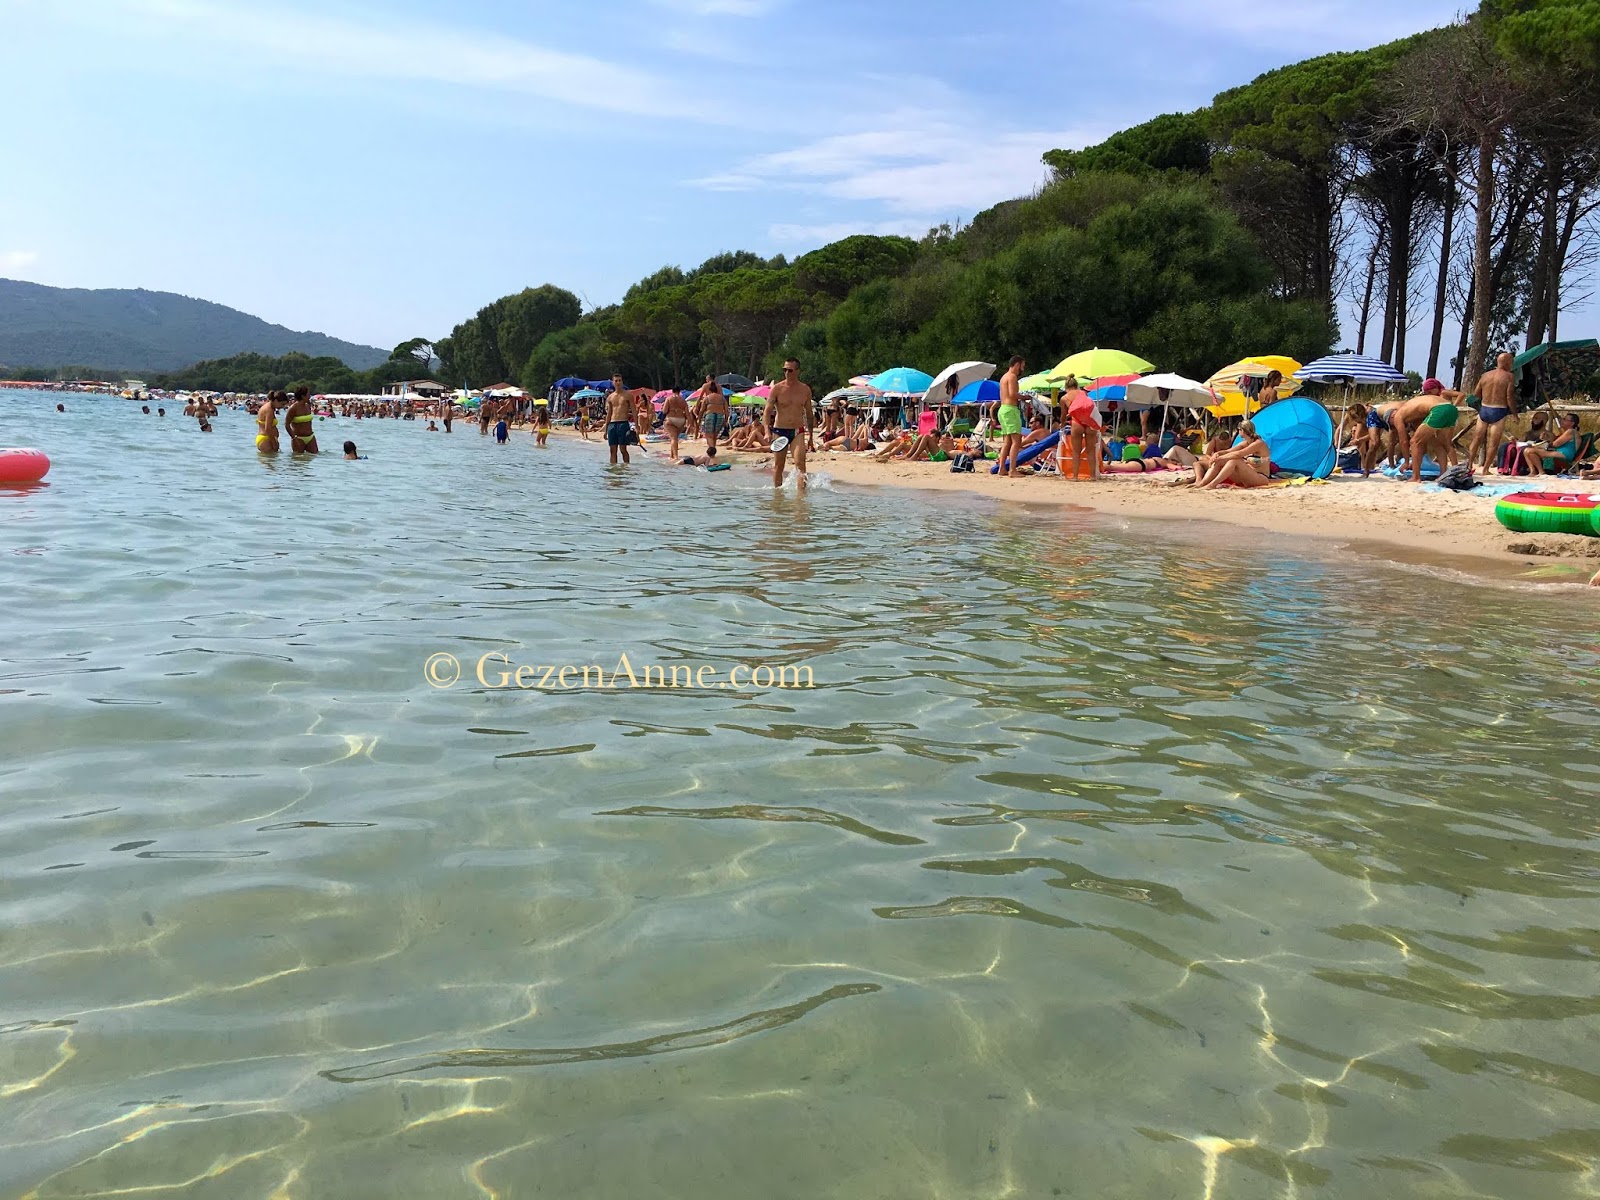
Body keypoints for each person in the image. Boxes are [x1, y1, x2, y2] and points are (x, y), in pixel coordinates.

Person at [764, 356, 812, 487]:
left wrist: (811, 437)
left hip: (798, 431)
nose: (786, 373)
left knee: (800, 463)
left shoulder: (805, 389)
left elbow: (809, 414)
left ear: (797, 371)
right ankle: (777, 499)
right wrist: (767, 431)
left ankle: (801, 501)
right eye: (784, 370)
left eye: (790, 370)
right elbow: (767, 411)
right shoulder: (777, 388)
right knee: (779, 466)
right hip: (780, 430)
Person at [1467, 351, 1518, 470]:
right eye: (1511, 362)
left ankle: (1469, 465)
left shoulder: (1486, 375)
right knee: (1493, 442)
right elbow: (1509, 397)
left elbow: (1476, 393)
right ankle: (1485, 469)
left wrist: (1486, 397)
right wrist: (1515, 414)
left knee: (1476, 439)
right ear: (1507, 363)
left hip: (1484, 408)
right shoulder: (1509, 376)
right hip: (1499, 410)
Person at [1408, 378, 1466, 483]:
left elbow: (1461, 394)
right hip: (1446, 417)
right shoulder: (1436, 396)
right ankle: (1447, 471)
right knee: (1441, 444)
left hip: (1444, 414)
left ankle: (1455, 467)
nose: (1430, 394)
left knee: (1447, 444)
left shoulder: (1443, 392)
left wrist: (1455, 405)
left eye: (1430, 392)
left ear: (1435, 388)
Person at [1195, 421, 1272, 488]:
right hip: (1247, 475)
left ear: (1242, 431)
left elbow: (1239, 454)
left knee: (1234, 461)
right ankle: (1202, 483)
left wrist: (1220, 458)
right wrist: (1217, 454)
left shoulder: (1258, 443)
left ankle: (1212, 484)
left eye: (1239, 430)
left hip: (1260, 477)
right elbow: (1228, 451)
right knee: (1220, 461)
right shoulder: (1246, 443)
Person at [1063, 377, 1102, 480]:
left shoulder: (1065, 398)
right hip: (1089, 422)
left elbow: (1063, 416)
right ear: (1076, 385)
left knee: (1076, 451)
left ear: (1066, 387)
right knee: (1091, 450)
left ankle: (1075, 476)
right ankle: (1092, 476)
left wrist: (1062, 424)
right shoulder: (1083, 393)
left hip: (1077, 422)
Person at [994, 356, 1026, 477]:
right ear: (1017, 364)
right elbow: (1013, 394)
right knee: (1016, 441)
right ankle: (1012, 470)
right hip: (1010, 410)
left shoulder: (1004, 377)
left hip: (1003, 409)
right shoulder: (1012, 377)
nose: (1022, 368)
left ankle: (1002, 468)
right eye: (1022, 365)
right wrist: (1025, 397)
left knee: (1007, 441)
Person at [605, 375, 635, 465]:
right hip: (612, 424)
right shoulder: (610, 397)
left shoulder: (628, 395)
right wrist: (605, 429)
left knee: (623, 449)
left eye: (620, 380)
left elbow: (634, 411)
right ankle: (614, 471)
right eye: (616, 381)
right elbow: (609, 414)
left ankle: (626, 467)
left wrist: (637, 426)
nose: (618, 382)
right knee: (612, 450)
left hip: (623, 423)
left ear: (622, 382)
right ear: (613, 383)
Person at [698, 377, 730, 451]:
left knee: (709, 436)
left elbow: (702, 410)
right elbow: (726, 411)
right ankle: (713, 450)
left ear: (710, 390)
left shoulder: (707, 398)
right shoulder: (722, 399)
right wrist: (725, 421)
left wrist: (699, 419)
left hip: (710, 415)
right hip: (720, 416)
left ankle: (711, 451)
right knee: (715, 435)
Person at [285, 386, 319, 454]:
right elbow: (287, 424)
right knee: (299, 461)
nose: (310, 397)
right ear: (303, 396)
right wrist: (294, 438)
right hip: (299, 438)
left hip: (310, 437)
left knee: (315, 457)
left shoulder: (307, 406)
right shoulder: (293, 408)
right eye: (308, 395)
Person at [661, 389, 689, 458]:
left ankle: (676, 456)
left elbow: (664, 411)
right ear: (679, 392)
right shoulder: (683, 400)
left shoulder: (669, 399)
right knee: (674, 438)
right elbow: (687, 413)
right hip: (681, 420)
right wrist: (690, 423)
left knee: (673, 438)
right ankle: (672, 455)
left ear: (672, 391)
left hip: (671, 419)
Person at [255, 390, 281, 454]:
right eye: (282, 404)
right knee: (270, 462)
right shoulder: (269, 410)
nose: (282, 406)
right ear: (275, 401)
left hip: (266, 438)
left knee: (270, 462)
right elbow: (268, 429)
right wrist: (274, 443)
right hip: (266, 438)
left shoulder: (267, 407)